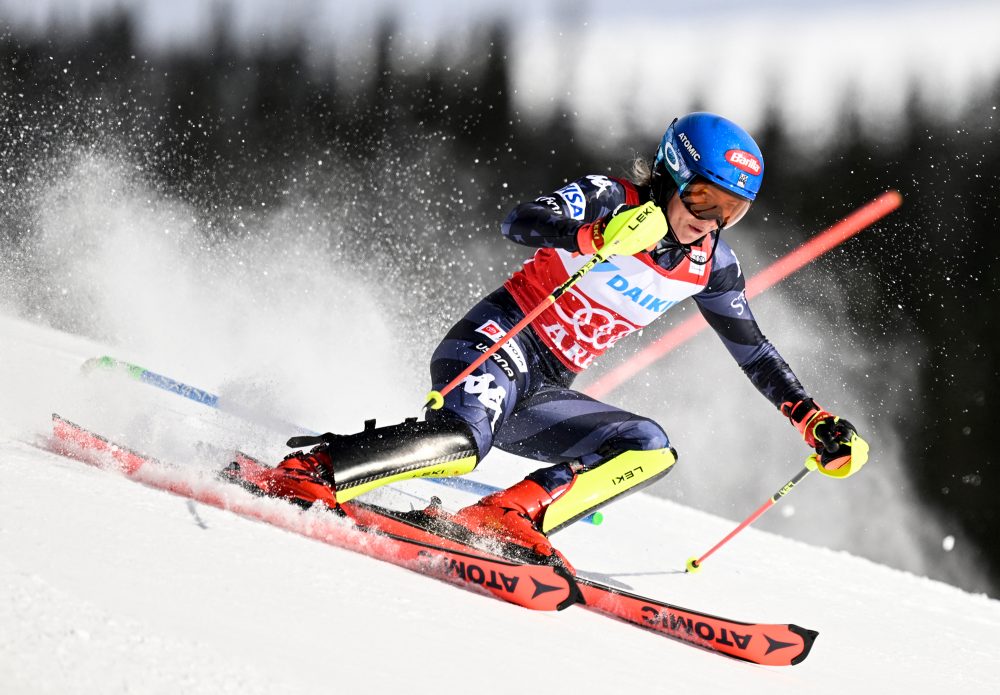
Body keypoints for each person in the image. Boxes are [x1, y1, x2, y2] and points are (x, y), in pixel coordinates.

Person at [231, 112, 869, 566]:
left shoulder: (711, 266)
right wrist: (593, 238)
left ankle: (508, 518)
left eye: (732, 211)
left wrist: (812, 421)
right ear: (672, 175)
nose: (711, 223)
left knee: (647, 448)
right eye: (703, 200)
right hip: (494, 342)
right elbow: (522, 221)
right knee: (460, 445)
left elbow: (753, 350)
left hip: (542, 389)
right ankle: (313, 470)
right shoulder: (609, 198)